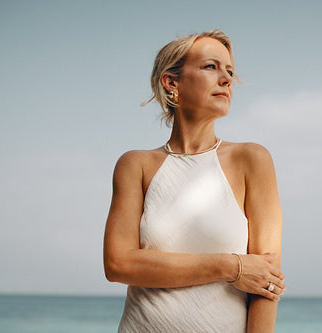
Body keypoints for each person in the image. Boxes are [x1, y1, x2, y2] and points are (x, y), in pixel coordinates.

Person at [103, 29, 285, 333]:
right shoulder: (135, 165)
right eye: (210, 67)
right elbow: (118, 264)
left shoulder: (251, 160)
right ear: (171, 82)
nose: (226, 79)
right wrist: (232, 267)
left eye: (229, 71)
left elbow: (266, 280)